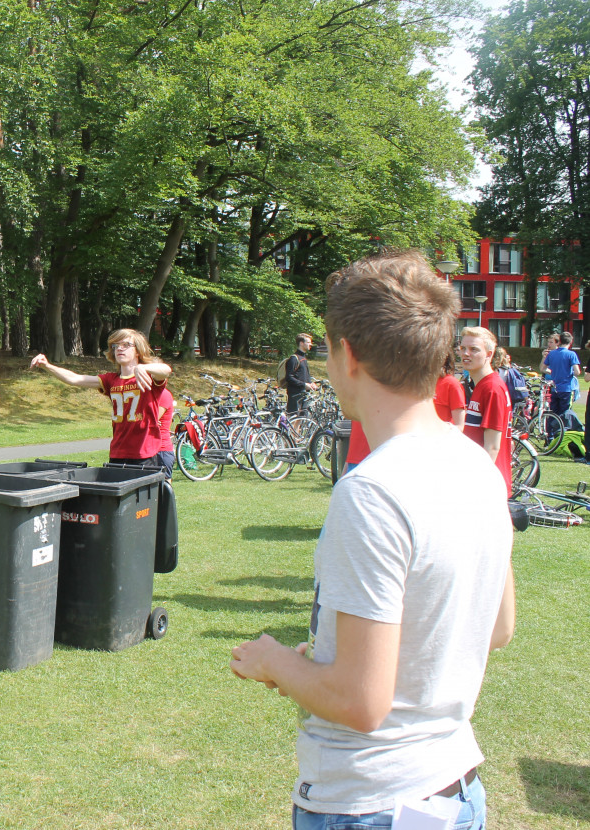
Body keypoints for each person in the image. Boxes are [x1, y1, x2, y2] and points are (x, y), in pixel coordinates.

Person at [230, 249, 514, 830]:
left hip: (373, 801)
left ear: (347, 355)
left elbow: (360, 702)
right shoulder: (476, 464)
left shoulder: (372, 491)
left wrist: (275, 661)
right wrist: (328, 669)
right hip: (454, 790)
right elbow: (498, 628)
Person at [30, 329, 171, 466]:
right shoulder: (111, 380)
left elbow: (166, 370)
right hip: (117, 453)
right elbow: (74, 379)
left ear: (138, 351)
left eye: (126, 345)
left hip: (144, 454)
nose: (120, 349)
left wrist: (143, 368)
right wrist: (47, 366)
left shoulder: (148, 377)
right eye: (116, 346)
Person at [461, 326, 513, 493]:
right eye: (463, 348)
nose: (466, 353)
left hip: (486, 485)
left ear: (489, 354)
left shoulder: (492, 388)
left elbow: (492, 447)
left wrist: (476, 485)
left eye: (474, 349)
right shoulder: (481, 386)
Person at [540, 331, 582, 417]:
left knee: (554, 412)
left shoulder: (551, 353)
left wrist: (553, 372)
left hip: (554, 387)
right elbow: (577, 372)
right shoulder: (571, 354)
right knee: (565, 412)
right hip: (566, 388)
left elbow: (542, 368)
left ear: (559, 341)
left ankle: (552, 429)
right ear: (570, 342)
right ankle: (563, 428)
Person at [283, 333, 317, 414]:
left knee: (301, 418)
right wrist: (304, 385)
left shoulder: (303, 358)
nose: (311, 344)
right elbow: (289, 377)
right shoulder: (294, 359)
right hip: (295, 394)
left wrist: (311, 383)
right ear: (301, 343)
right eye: (308, 342)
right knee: (294, 419)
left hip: (304, 393)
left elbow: (303, 375)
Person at [155, 387, 175, 479]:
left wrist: (145, 418)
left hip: (161, 450)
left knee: (164, 489)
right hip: (148, 450)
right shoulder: (148, 395)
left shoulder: (164, 394)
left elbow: (153, 418)